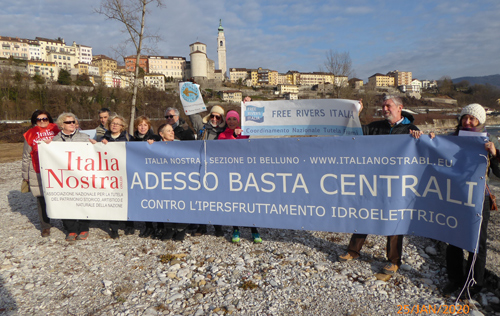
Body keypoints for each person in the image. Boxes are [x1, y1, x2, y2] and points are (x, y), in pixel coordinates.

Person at [339, 95, 422, 275]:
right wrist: (355, 114)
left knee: (393, 220)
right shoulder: (375, 127)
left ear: (400, 107)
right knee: (365, 214)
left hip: (396, 183)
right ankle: (353, 251)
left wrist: (420, 138)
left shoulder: (411, 129)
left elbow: (422, 151)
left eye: (388, 106)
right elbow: (352, 135)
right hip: (373, 180)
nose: (384, 109)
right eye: (383, 106)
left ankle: (393, 261)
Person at [442, 103, 500, 296]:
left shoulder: (490, 139)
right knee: (453, 239)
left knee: (478, 242)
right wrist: (431, 140)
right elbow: (437, 155)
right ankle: (455, 279)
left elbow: (498, 173)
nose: (467, 122)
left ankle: (474, 283)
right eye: (464, 117)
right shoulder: (452, 138)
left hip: (479, 197)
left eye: (472, 118)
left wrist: (495, 154)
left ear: (480, 121)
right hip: (455, 195)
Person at [216, 110, 262, 243]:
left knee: (248, 201)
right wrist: (234, 137)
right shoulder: (222, 135)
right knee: (234, 202)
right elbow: (223, 149)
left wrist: (251, 103)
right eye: (229, 119)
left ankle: (254, 229)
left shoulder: (245, 133)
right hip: (230, 173)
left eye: (234, 119)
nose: (231, 121)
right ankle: (235, 229)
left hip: (245, 172)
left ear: (238, 121)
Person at [50, 112, 96, 241]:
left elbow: (95, 154)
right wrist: (46, 146)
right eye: (68, 122)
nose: (72, 124)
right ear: (61, 125)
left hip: (82, 176)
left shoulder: (84, 137)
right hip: (64, 177)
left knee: (83, 201)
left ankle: (84, 228)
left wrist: (97, 144)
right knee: (66, 201)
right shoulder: (56, 140)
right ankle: (71, 229)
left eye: (74, 122)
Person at [188, 105, 226, 237]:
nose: (214, 119)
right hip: (200, 167)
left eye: (218, 117)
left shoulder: (225, 130)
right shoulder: (202, 127)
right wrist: (188, 87)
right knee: (201, 198)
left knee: (216, 199)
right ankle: (202, 226)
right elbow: (192, 113)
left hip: (217, 169)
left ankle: (217, 226)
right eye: (212, 116)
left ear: (221, 118)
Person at [22, 110, 60, 237]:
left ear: (49, 119)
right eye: (39, 119)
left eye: (45, 119)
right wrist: (25, 176)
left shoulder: (57, 129)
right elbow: (26, 156)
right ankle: (45, 226)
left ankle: (66, 222)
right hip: (37, 169)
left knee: (61, 196)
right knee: (41, 199)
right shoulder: (30, 134)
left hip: (56, 169)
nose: (43, 121)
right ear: (35, 121)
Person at [151, 124, 189, 241]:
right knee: (166, 203)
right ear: (161, 134)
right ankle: (169, 229)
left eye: (172, 130)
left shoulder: (180, 144)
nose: (172, 132)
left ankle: (181, 229)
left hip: (179, 180)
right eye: (168, 131)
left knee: (181, 203)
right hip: (164, 180)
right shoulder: (155, 145)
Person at [101, 114, 135, 238]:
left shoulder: (128, 138)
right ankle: (114, 227)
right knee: (112, 201)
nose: (114, 125)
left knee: (127, 200)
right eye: (112, 123)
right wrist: (100, 145)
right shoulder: (103, 138)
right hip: (110, 175)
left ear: (122, 126)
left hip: (126, 173)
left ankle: (129, 225)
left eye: (117, 123)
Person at [132, 116, 162, 238]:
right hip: (140, 174)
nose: (142, 127)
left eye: (145, 125)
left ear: (149, 126)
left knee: (157, 200)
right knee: (145, 200)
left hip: (155, 174)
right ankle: (148, 226)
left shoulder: (155, 138)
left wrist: (154, 144)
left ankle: (160, 225)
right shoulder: (133, 141)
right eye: (140, 125)